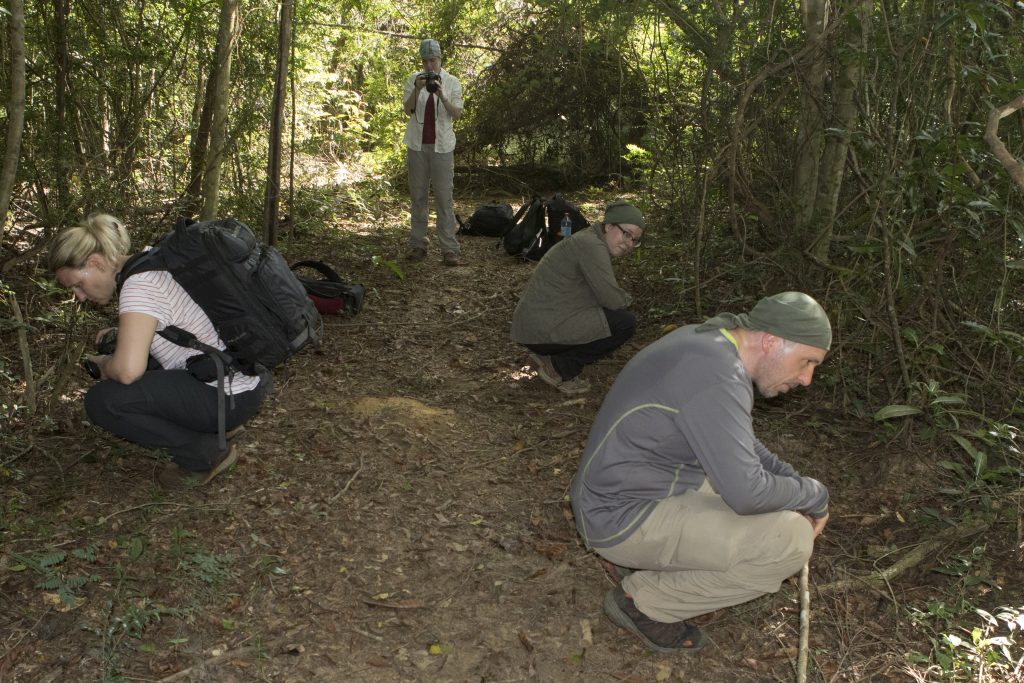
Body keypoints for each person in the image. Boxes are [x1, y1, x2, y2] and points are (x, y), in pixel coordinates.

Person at [570, 292, 832, 652]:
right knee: (790, 540)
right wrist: (814, 494)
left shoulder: (710, 345)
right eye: (807, 362)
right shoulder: (717, 375)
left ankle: (647, 565)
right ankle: (644, 603)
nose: (807, 379)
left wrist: (793, 482)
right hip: (620, 517)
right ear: (773, 341)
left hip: (621, 492)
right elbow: (748, 493)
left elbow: (740, 445)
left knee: (776, 501)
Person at [49, 214, 270, 489]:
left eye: (77, 285)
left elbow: (128, 372)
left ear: (95, 262)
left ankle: (204, 453)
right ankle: (216, 425)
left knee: (102, 400)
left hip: (228, 396)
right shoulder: (151, 260)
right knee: (135, 357)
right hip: (244, 378)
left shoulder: (138, 286)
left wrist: (106, 363)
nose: (80, 296)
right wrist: (119, 336)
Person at [510, 200, 643, 395]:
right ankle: (558, 369)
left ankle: (547, 355)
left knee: (608, 316)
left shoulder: (588, 239)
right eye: (626, 233)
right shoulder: (592, 246)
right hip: (539, 328)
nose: (629, 243)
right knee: (624, 323)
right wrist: (627, 300)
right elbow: (612, 300)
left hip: (534, 325)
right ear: (609, 226)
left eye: (635, 240)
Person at [403, 38, 464, 267]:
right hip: (417, 145)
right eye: (426, 61)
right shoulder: (413, 80)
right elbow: (407, 109)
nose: (429, 65)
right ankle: (418, 244)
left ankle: (449, 249)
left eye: (433, 60)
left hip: (442, 147)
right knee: (418, 196)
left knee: (443, 197)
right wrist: (417, 89)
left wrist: (442, 95)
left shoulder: (451, 82)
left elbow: (457, 113)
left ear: (440, 59)